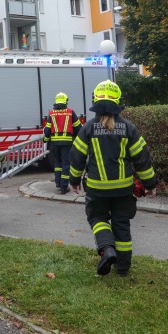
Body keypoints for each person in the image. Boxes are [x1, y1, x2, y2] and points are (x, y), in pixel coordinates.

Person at [69, 80, 158, 277]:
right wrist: (150, 184)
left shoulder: (88, 128)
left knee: (97, 218)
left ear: (96, 101)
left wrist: (74, 180)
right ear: (118, 101)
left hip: (96, 189)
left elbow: (77, 157)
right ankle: (123, 268)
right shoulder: (128, 128)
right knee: (121, 224)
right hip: (123, 190)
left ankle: (107, 249)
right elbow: (142, 158)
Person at [43, 92, 82, 194]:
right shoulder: (70, 112)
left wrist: (46, 139)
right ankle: (64, 186)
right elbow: (78, 128)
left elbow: (47, 130)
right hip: (67, 143)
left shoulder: (51, 114)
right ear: (66, 101)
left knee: (58, 163)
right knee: (66, 164)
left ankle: (58, 183)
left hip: (54, 144)